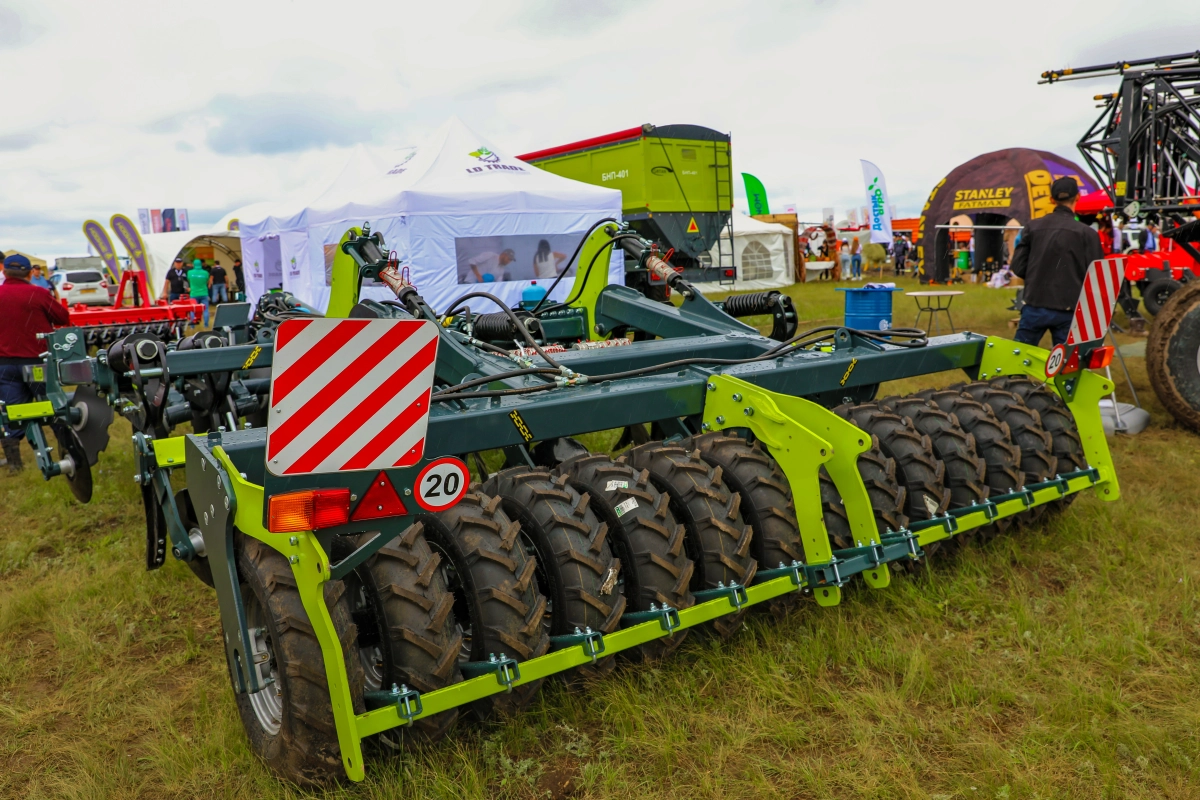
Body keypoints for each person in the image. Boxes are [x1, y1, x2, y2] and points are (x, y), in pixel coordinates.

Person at [1011, 177, 1104, 347]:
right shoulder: (1087, 234)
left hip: (1035, 303)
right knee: (1065, 368)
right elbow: (1097, 276)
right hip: (1069, 308)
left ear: (1051, 199)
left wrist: (1037, 275)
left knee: (1017, 361)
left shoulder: (1032, 227)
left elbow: (1018, 266)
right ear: (1077, 197)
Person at [0, 254, 70, 473]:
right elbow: (62, 318)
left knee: (10, 411)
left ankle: (14, 464)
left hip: (5, 365)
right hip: (36, 364)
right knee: (51, 406)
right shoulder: (37, 293)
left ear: (4, 272)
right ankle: (69, 452)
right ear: (30, 273)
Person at [186, 258, 212, 326]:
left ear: (193, 265)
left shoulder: (190, 272)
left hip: (194, 293)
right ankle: (206, 325)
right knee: (205, 310)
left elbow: (189, 280)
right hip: (204, 293)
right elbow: (207, 281)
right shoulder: (206, 273)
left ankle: (192, 325)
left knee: (193, 310)